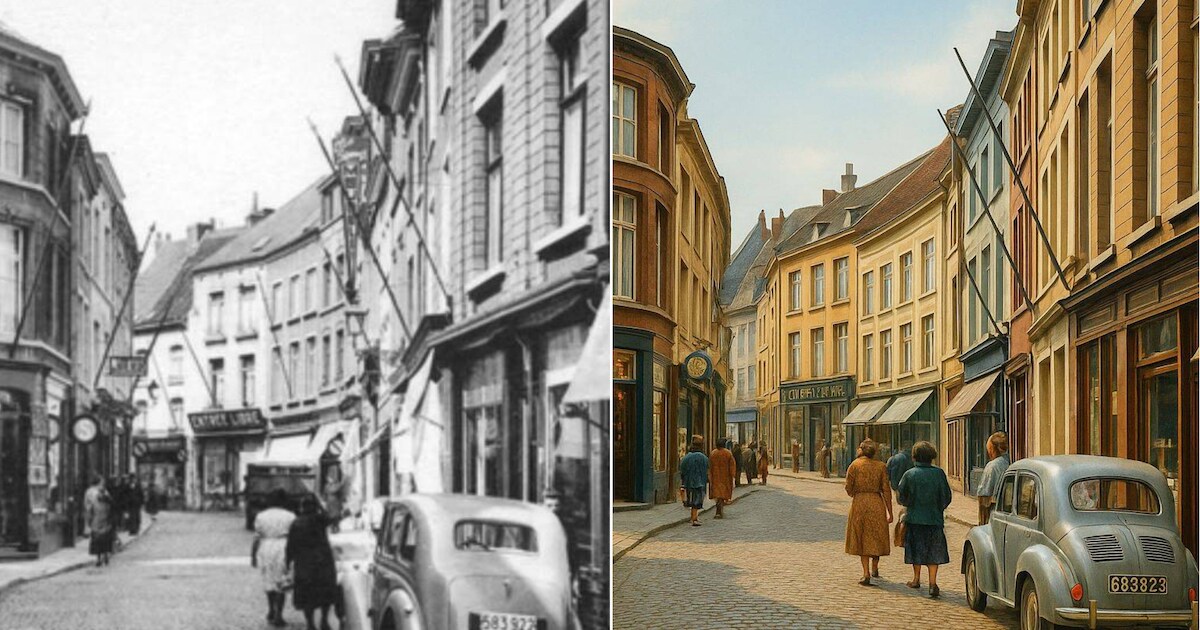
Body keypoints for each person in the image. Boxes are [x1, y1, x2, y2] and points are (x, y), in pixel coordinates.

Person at [897, 441, 953, 598]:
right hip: (934, 519)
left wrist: (910, 505)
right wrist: (938, 508)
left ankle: (916, 579)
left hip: (914, 519)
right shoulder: (939, 473)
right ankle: (932, 583)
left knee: (916, 549)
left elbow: (902, 496)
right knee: (933, 551)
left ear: (915, 456)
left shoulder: (909, 474)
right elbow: (947, 496)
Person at [844, 439, 892, 586]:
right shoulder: (881, 466)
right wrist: (890, 511)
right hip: (876, 502)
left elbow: (848, 487)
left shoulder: (855, 465)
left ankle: (865, 573)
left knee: (862, 536)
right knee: (876, 535)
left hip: (860, 503)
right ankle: (875, 567)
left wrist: (855, 494)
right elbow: (886, 490)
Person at [288, 494, 340, 630]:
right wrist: (321, 506)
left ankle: (310, 623)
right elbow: (332, 518)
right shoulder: (320, 519)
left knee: (306, 595)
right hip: (322, 561)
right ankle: (324, 621)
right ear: (315, 507)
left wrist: (288, 561)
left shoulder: (296, 523)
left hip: (304, 562)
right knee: (326, 593)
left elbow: (290, 544)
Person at [253, 488, 297, 627]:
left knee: (268, 579)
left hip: (266, 546)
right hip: (283, 546)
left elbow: (256, 537)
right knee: (282, 581)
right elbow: (294, 536)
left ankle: (271, 608)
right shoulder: (290, 516)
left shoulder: (261, 516)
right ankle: (279, 613)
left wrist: (253, 555)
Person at [976, 432, 1011, 525]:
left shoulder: (993, 466)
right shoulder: (1010, 460)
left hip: (996, 513)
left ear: (992, 449)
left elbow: (984, 495)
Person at [83, 475, 115, 567]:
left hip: (96, 518)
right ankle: (105, 555)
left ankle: (99, 557)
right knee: (105, 538)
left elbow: (87, 506)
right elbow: (111, 503)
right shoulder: (104, 491)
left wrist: (88, 519)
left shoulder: (89, 491)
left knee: (97, 538)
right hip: (104, 517)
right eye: (102, 481)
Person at [679, 435, 709, 526]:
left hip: (689, 481)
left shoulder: (686, 457)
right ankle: (694, 518)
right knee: (697, 500)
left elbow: (682, 469)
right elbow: (707, 469)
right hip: (699, 482)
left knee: (691, 499)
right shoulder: (703, 457)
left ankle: (693, 517)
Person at [708, 438, 736, 519]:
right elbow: (732, 465)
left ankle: (719, 510)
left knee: (717, 494)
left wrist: (710, 476)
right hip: (725, 478)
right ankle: (719, 511)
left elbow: (710, 466)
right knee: (722, 495)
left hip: (715, 477)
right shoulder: (728, 453)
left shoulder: (713, 453)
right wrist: (732, 475)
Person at [322, 466, 345, 533]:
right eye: (328, 478)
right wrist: (324, 501)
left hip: (335, 502)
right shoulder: (327, 486)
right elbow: (325, 493)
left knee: (336, 516)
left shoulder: (336, 485)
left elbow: (338, 491)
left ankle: (336, 527)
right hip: (330, 502)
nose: (329, 479)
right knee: (330, 516)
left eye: (330, 478)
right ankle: (333, 527)